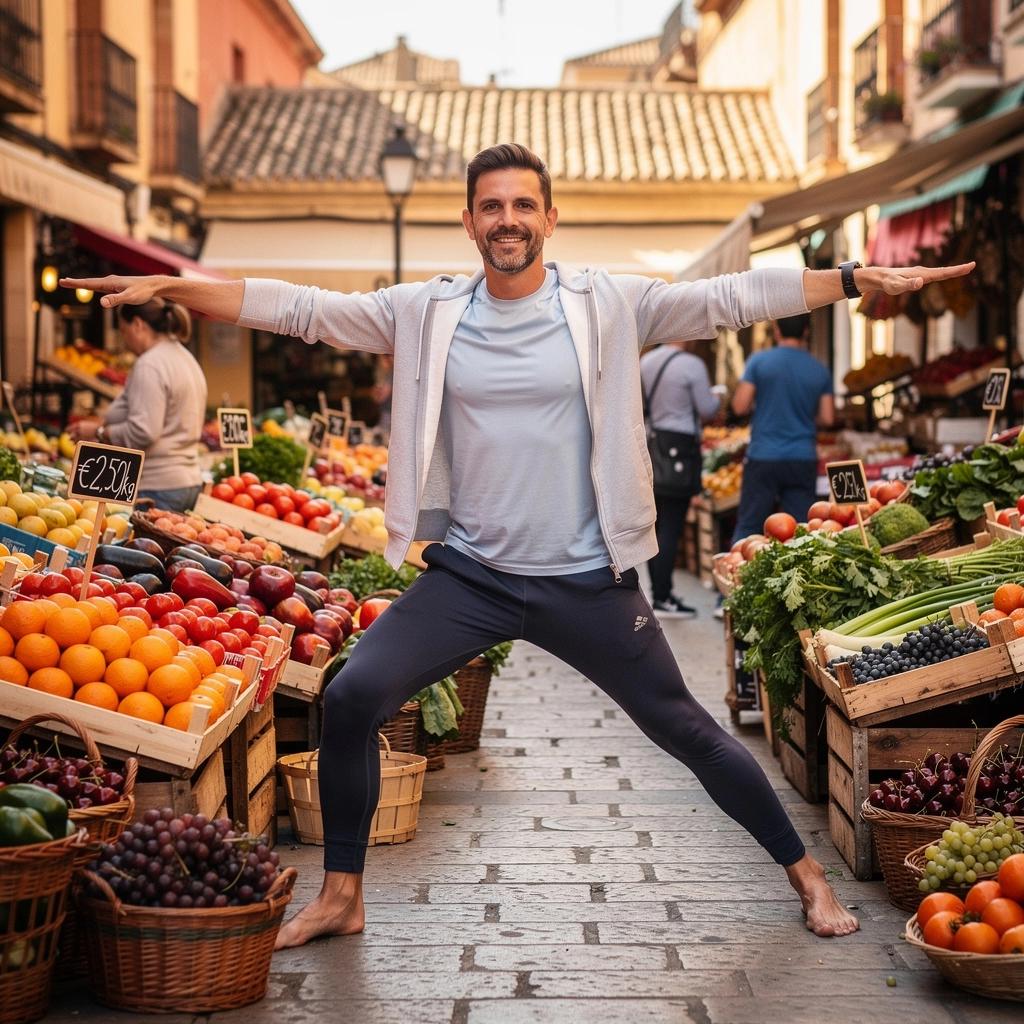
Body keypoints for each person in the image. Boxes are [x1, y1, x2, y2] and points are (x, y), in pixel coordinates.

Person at [63, 143, 973, 949]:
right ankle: (343, 894)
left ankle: (805, 876)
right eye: (491, 206)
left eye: (523, 205)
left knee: (686, 728)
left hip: (587, 579)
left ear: (549, 217)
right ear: (469, 222)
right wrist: (175, 288)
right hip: (473, 578)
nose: (508, 220)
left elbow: (728, 297)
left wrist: (850, 277)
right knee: (351, 697)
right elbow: (302, 309)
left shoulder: (606, 303)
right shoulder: (426, 312)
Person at [68, 298, 207, 512]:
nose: (125, 341)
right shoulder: (186, 358)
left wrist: (99, 432)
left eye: (124, 331)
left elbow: (144, 430)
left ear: (138, 325)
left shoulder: (150, 365)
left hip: (156, 486)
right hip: (188, 482)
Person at [730, 313, 834, 543]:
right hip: (802, 457)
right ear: (806, 331)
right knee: (801, 531)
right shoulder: (819, 369)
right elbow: (828, 418)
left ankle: (737, 565)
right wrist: (803, 414)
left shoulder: (758, 362)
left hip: (763, 455)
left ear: (776, 330)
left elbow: (739, 406)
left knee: (749, 526)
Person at [640, 339, 721, 617]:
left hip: (652, 446)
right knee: (671, 526)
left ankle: (658, 593)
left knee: (657, 524)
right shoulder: (691, 365)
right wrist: (718, 397)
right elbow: (707, 409)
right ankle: (663, 597)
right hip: (680, 451)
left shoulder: (646, 361)